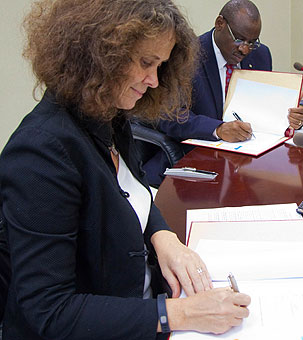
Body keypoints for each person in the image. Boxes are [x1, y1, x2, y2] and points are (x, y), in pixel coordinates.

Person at [0, 0, 250, 339]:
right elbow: (50, 311)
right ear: (99, 52)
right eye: (146, 63)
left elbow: (134, 192)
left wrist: (164, 237)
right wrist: (179, 313)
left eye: (161, 66)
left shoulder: (108, 115)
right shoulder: (41, 152)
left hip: (143, 305)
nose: (154, 80)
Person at [143, 0, 303, 186]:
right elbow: (170, 115)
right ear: (220, 23)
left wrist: (291, 117)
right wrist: (219, 129)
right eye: (239, 39)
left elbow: (265, 106)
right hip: (198, 164)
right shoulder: (186, 56)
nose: (245, 49)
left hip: (249, 164)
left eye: (252, 42)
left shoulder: (261, 55)